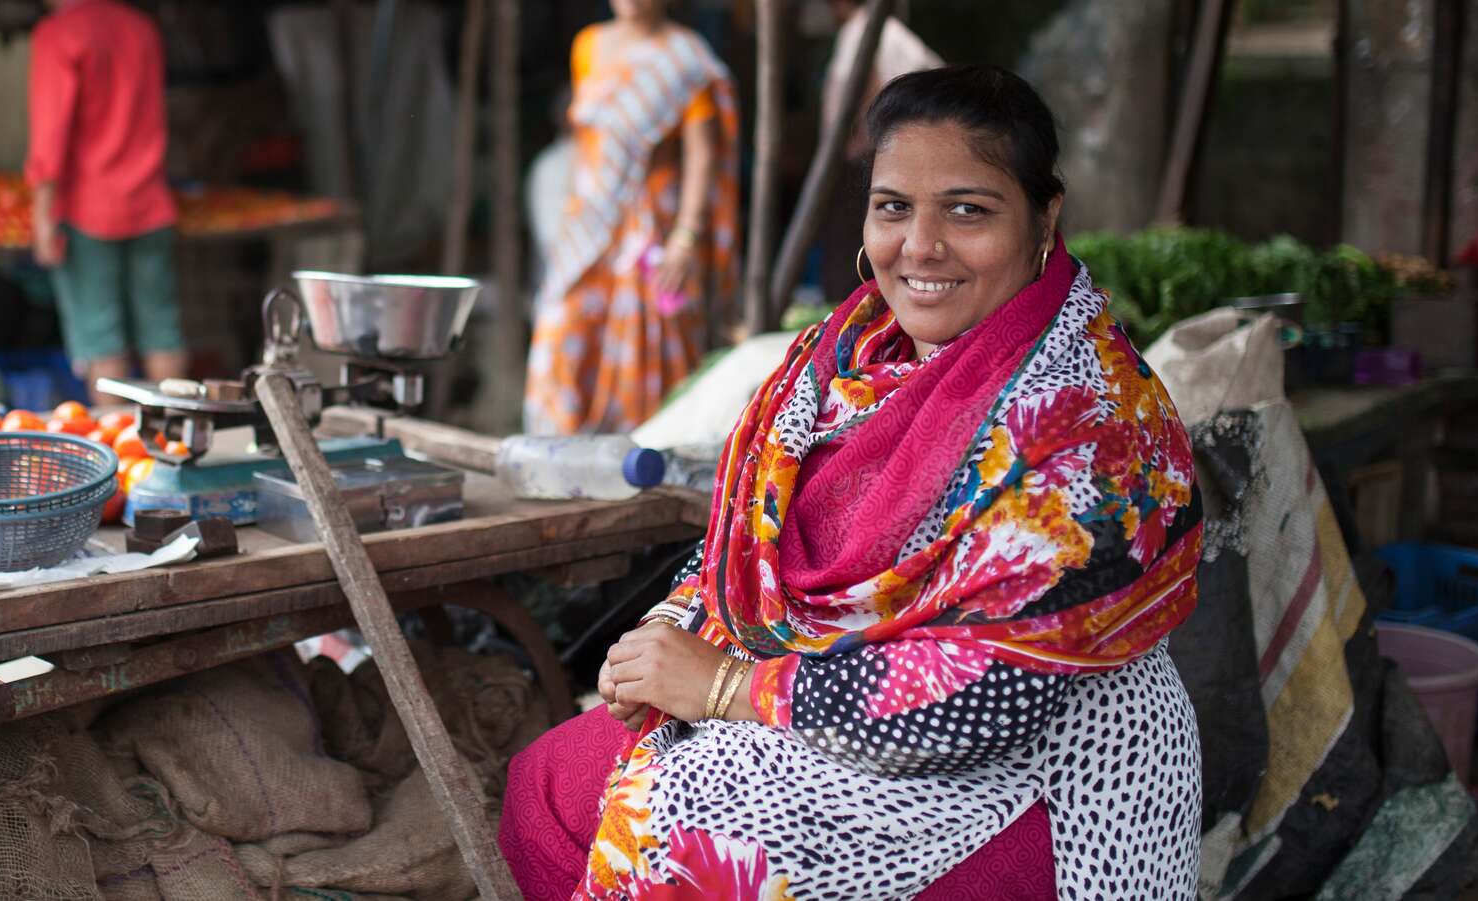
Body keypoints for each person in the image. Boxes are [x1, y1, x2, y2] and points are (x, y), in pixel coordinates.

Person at [501, 65, 1204, 900]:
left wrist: (725, 685)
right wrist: (662, 636)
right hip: (808, 702)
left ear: (1045, 218)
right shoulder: (842, 359)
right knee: (544, 788)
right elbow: (744, 544)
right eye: (894, 206)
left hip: (1030, 774)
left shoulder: (1091, 423)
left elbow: (990, 701)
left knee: (682, 829)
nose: (922, 246)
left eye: (969, 210)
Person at [523, 0, 740, 435]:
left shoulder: (686, 57)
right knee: (563, 331)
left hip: (650, 230)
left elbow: (701, 155)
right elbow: (588, 143)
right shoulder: (589, 45)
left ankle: (643, 459)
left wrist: (685, 238)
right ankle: (560, 453)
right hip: (588, 223)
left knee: (646, 347)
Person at [26, 0, 186, 402]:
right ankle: (179, 444)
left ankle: (118, 452)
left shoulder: (59, 34)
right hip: (151, 201)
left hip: (88, 209)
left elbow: (50, 134)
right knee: (162, 333)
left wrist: (42, 216)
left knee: (101, 341)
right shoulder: (140, 27)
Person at [818, 0, 943, 309]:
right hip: (891, 154)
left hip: (875, 155)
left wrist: (858, 143)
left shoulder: (865, 31)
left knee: (854, 247)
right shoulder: (893, 34)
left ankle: (858, 309)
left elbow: (868, 86)